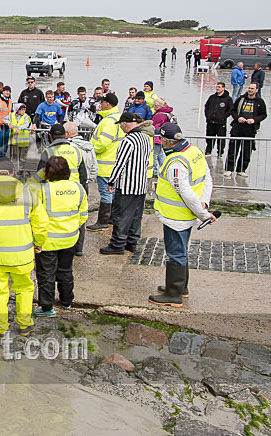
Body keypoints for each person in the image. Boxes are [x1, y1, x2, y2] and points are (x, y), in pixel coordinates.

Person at [0, 159, 47, 336]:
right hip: (22, 255)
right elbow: (41, 224)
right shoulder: (29, 194)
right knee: (24, 289)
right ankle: (24, 325)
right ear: (13, 174)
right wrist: (38, 243)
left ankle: (0, 327)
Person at [149, 123, 215, 307]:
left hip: (176, 216)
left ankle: (173, 294)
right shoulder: (194, 152)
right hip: (185, 214)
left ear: (167, 141)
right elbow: (206, 178)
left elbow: (185, 193)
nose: (159, 142)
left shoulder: (176, 163)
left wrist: (203, 214)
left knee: (175, 253)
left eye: (160, 139)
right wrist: (205, 202)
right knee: (181, 250)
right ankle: (180, 287)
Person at [34, 156, 88, 317]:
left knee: (46, 274)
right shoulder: (78, 188)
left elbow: (36, 219)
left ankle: (46, 307)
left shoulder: (42, 191)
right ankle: (67, 301)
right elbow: (83, 215)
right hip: (70, 238)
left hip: (47, 241)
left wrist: (36, 240)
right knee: (66, 271)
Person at [99, 113, 152, 255]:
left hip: (127, 186)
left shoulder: (128, 141)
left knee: (121, 215)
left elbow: (120, 163)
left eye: (121, 125)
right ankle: (132, 242)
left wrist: (111, 181)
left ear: (125, 123)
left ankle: (117, 244)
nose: (121, 128)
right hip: (140, 185)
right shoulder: (145, 139)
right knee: (136, 215)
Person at [88, 93, 123, 232]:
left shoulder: (108, 121)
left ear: (107, 104)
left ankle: (103, 220)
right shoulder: (118, 118)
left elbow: (103, 143)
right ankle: (111, 218)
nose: (100, 105)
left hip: (105, 164)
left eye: (102, 102)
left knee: (106, 192)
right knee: (112, 192)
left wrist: (91, 150)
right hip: (115, 164)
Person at [64, 122, 96, 256]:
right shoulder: (89, 146)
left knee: (68, 215)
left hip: (71, 185)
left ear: (68, 134)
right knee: (82, 215)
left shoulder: (70, 147)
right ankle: (79, 247)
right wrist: (88, 180)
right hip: (84, 184)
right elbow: (94, 166)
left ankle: (68, 244)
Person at [225, 83, 267, 177]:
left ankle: (241, 169)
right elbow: (232, 110)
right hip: (237, 127)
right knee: (233, 149)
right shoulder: (241, 99)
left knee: (246, 151)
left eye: (252, 88)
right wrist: (237, 118)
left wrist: (254, 120)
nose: (250, 90)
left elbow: (263, 115)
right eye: (249, 88)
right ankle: (229, 169)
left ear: (256, 90)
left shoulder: (260, 102)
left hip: (250, 129)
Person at [204, 82, 233, 158]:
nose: (217, 88)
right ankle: (208, 151)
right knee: (209, 137)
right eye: (217, 87)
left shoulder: (228, 99)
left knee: (221, 138)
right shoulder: (212, 97)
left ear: (223, 88)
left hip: (221, 123)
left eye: (219, 87)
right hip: (211, 122)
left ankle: (220, 152)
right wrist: (208, 116)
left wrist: (223, 117)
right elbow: (206, 107)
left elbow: (230, 110)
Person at [7, 103, 31, 172]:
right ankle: (14, 170)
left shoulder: (26, 117)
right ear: (17, 110)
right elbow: (5, 119)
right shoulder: (11, 115)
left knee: (22, 158)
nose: (23, 111)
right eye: (22, 109)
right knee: (14, 156)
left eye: (24, 109)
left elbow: (26, 124)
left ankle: (21, 170)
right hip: (14, 140)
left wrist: (19, 128)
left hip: (24, 141)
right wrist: (9, 123)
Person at [0, 85, 12, 160]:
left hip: (7, 126)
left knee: (5, 143)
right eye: (6, 91)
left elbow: (11, 113)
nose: (7, 92)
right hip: (0, 125)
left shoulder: (10, 101)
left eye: (9, 91)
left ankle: (2, 157)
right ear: (3, 92)